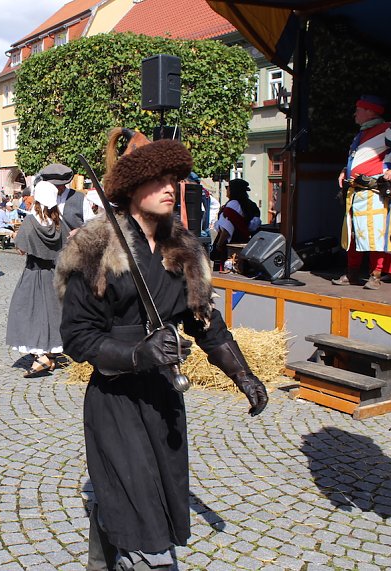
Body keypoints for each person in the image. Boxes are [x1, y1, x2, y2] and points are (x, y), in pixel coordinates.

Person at [56, 134, 268, 571]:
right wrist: (137, 353)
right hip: (116, 396)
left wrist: (243, 375)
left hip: (163, 393)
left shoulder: (184, 247)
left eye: (174, 179)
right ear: (132, 188)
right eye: (158, 180)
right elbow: (78, 337)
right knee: (137, 501)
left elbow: (205, 322)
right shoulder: (95, 247)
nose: (171, 188)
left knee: (156, 487)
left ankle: (103, 560)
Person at [333, 94, 391, 290]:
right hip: (355, 191)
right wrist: (345, 171)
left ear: (370, 111)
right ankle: (352, 273)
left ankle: (375, 274)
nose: (355, 113)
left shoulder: (387, 128)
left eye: (359, 109)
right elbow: (357, 159)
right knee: (353, 232)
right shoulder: (361, 134)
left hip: (374, 191)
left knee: (374, 234)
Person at [6, 181, 66, 377]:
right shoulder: (58, 222)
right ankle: (51, 354)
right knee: (52, 312)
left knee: (28, 312)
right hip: (54, 273)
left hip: (34, 272)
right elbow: (66, 246)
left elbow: (21, 248)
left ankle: (41, 356)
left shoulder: (30, 222)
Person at [210, 178, 261, 264]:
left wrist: (219, 244)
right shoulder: (250, 204)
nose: (227, 190)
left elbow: (226, 229)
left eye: (228, 188)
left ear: (233, 190)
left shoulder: (233, 205)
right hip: (243, 243)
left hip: (230, 244)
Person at [36, 163, 85, 234]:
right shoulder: (43, 199)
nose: (56, 188)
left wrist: (78, 231)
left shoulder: (80, 198)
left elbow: (92, 226)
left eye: (58, 185)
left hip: (75, 243)